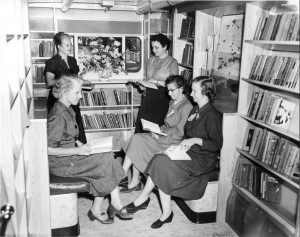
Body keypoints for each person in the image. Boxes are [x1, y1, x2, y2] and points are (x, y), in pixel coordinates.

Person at [124, 76, 223, 229]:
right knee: (159, 159)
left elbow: (217, 144)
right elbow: (186, 132)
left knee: (163, 163)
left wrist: (194, 141)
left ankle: (144, 200)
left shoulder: (212, 115)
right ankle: (165, 212)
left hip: (202, 158)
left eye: (194, 91)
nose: (191, 94)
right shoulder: (197, 108)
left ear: (205, 92)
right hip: (189, 151)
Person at [47, 74, 133, 224]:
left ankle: (98, 208)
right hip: (60, 164)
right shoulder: (58, 115)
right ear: (65, 92)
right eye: (77, 92)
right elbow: (48, 149)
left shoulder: (66, 108)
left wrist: (81, 145)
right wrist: (77, 151)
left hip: (68, 156)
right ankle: (113, 204)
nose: (81, 96)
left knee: (106, 155)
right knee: (106, 160)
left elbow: (69, 136)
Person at [120, 75, 193, 193]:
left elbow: (180, 134)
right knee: (136, 139)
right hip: (163, 135)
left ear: (181, 88)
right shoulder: (173, 101)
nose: (169, 93)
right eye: (168, 90)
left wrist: (160, 138)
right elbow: (167, 124)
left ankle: (124, 176)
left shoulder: (186, 106)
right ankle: (130, 178)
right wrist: (157, 130)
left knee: (137, 140)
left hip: (171, 142)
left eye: (172, 90)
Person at [44, 32, 87, 144]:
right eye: (67, 45)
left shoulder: (73, 60)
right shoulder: (52, 62)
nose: (70, 47)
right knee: (61, 129)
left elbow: (75, 77)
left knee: (76, 124)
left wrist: (83, 81)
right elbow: (49, 82)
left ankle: (80, 150)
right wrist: (67, 79)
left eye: (70, 45)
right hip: (58, 99)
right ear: (59, 46)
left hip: (72, 98)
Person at [134, 33, 179, 133]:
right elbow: (147, 78)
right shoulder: (150, 60)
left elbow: (175, 85)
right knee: (142, 126)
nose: (153, 50)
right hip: (148, 97)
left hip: (162, 99)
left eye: (156, 47)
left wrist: (156, 81)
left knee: (155, 129)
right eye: (152, 47)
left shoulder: (172, 62)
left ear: (165, 46)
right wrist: (142, 85)